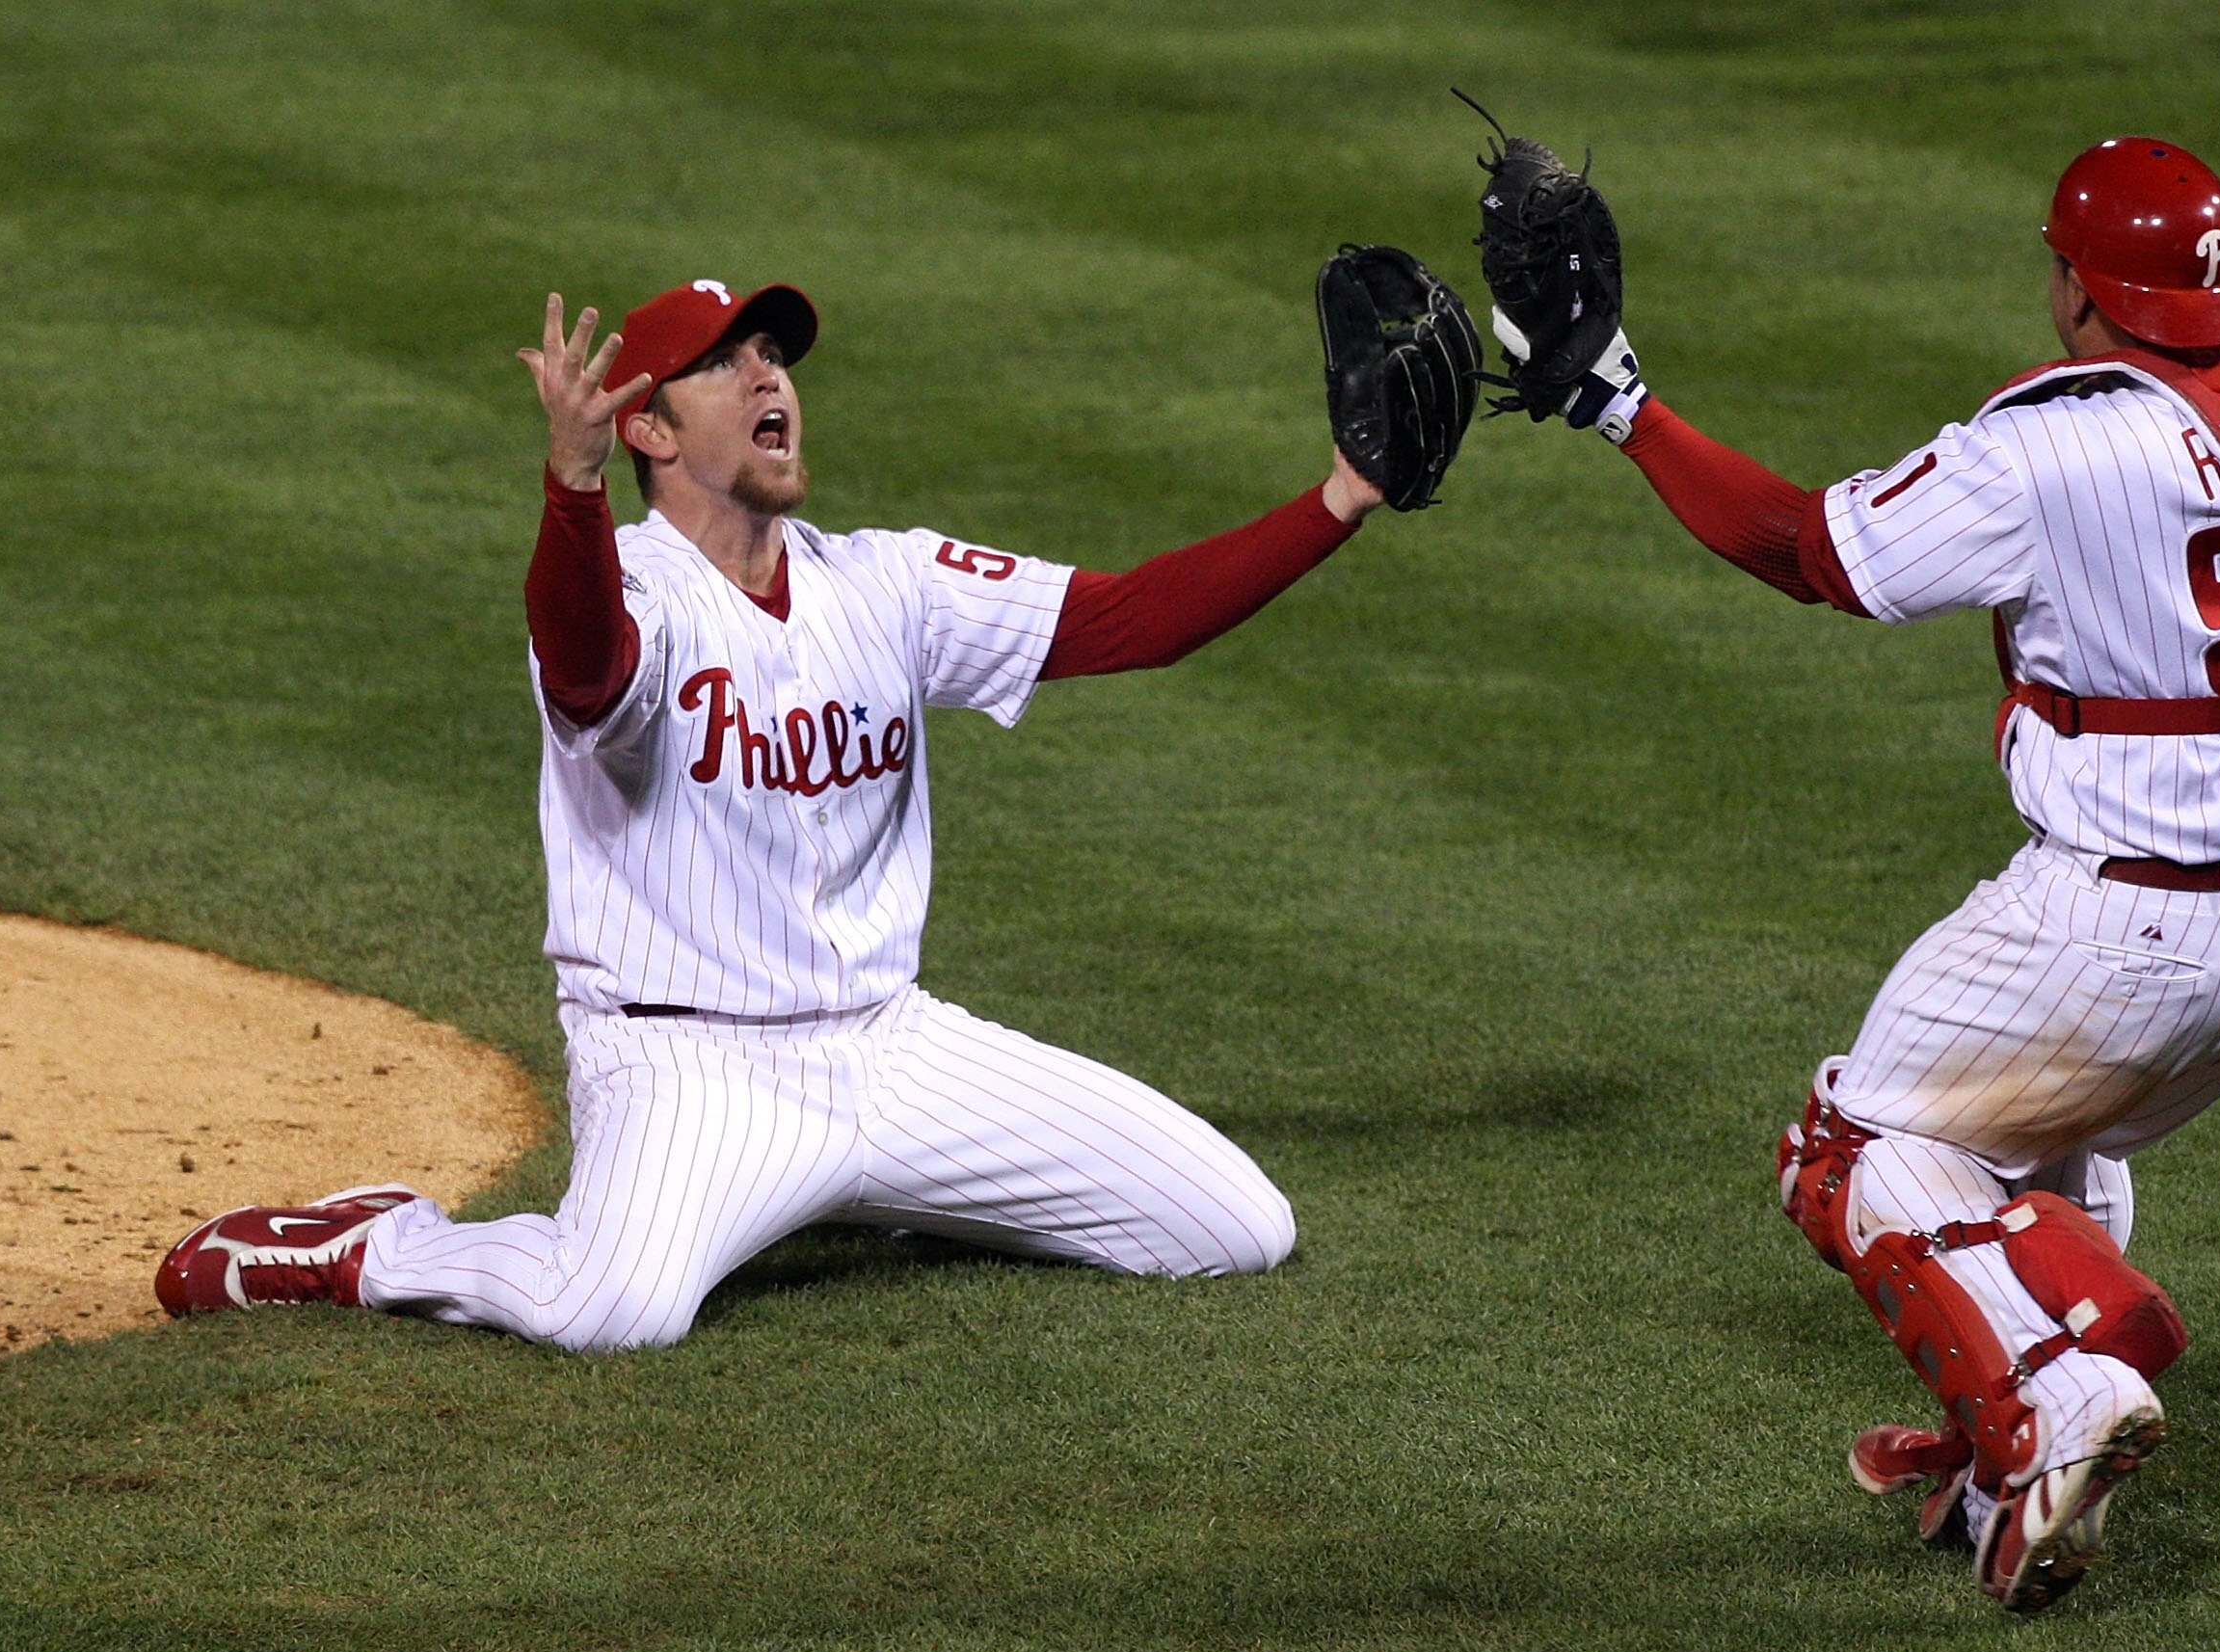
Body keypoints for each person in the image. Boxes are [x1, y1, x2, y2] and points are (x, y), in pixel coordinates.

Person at [1534, 127, 2220, 1609]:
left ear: (2078, 290)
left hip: (2121, 920)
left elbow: (1806, 549)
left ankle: (2052, 1395)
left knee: (1847, 1149)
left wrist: (1622, 405)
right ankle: (2012, 1454)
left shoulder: (2042, 448)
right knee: (2041, 1143)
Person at [155, 274, 1404, 1350]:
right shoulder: (627, 587)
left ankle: (881, 1186)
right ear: (647, 423)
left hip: (895, 1046)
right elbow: (586, 665)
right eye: (726, 359)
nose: (771, 375)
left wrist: (1341, 494)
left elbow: (1129, 620)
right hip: (688, 1062)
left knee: (1234, 1225)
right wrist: (572, 490)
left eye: (776, 355)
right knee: (613, 1307)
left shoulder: (888, 580)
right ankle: (376, 1244)